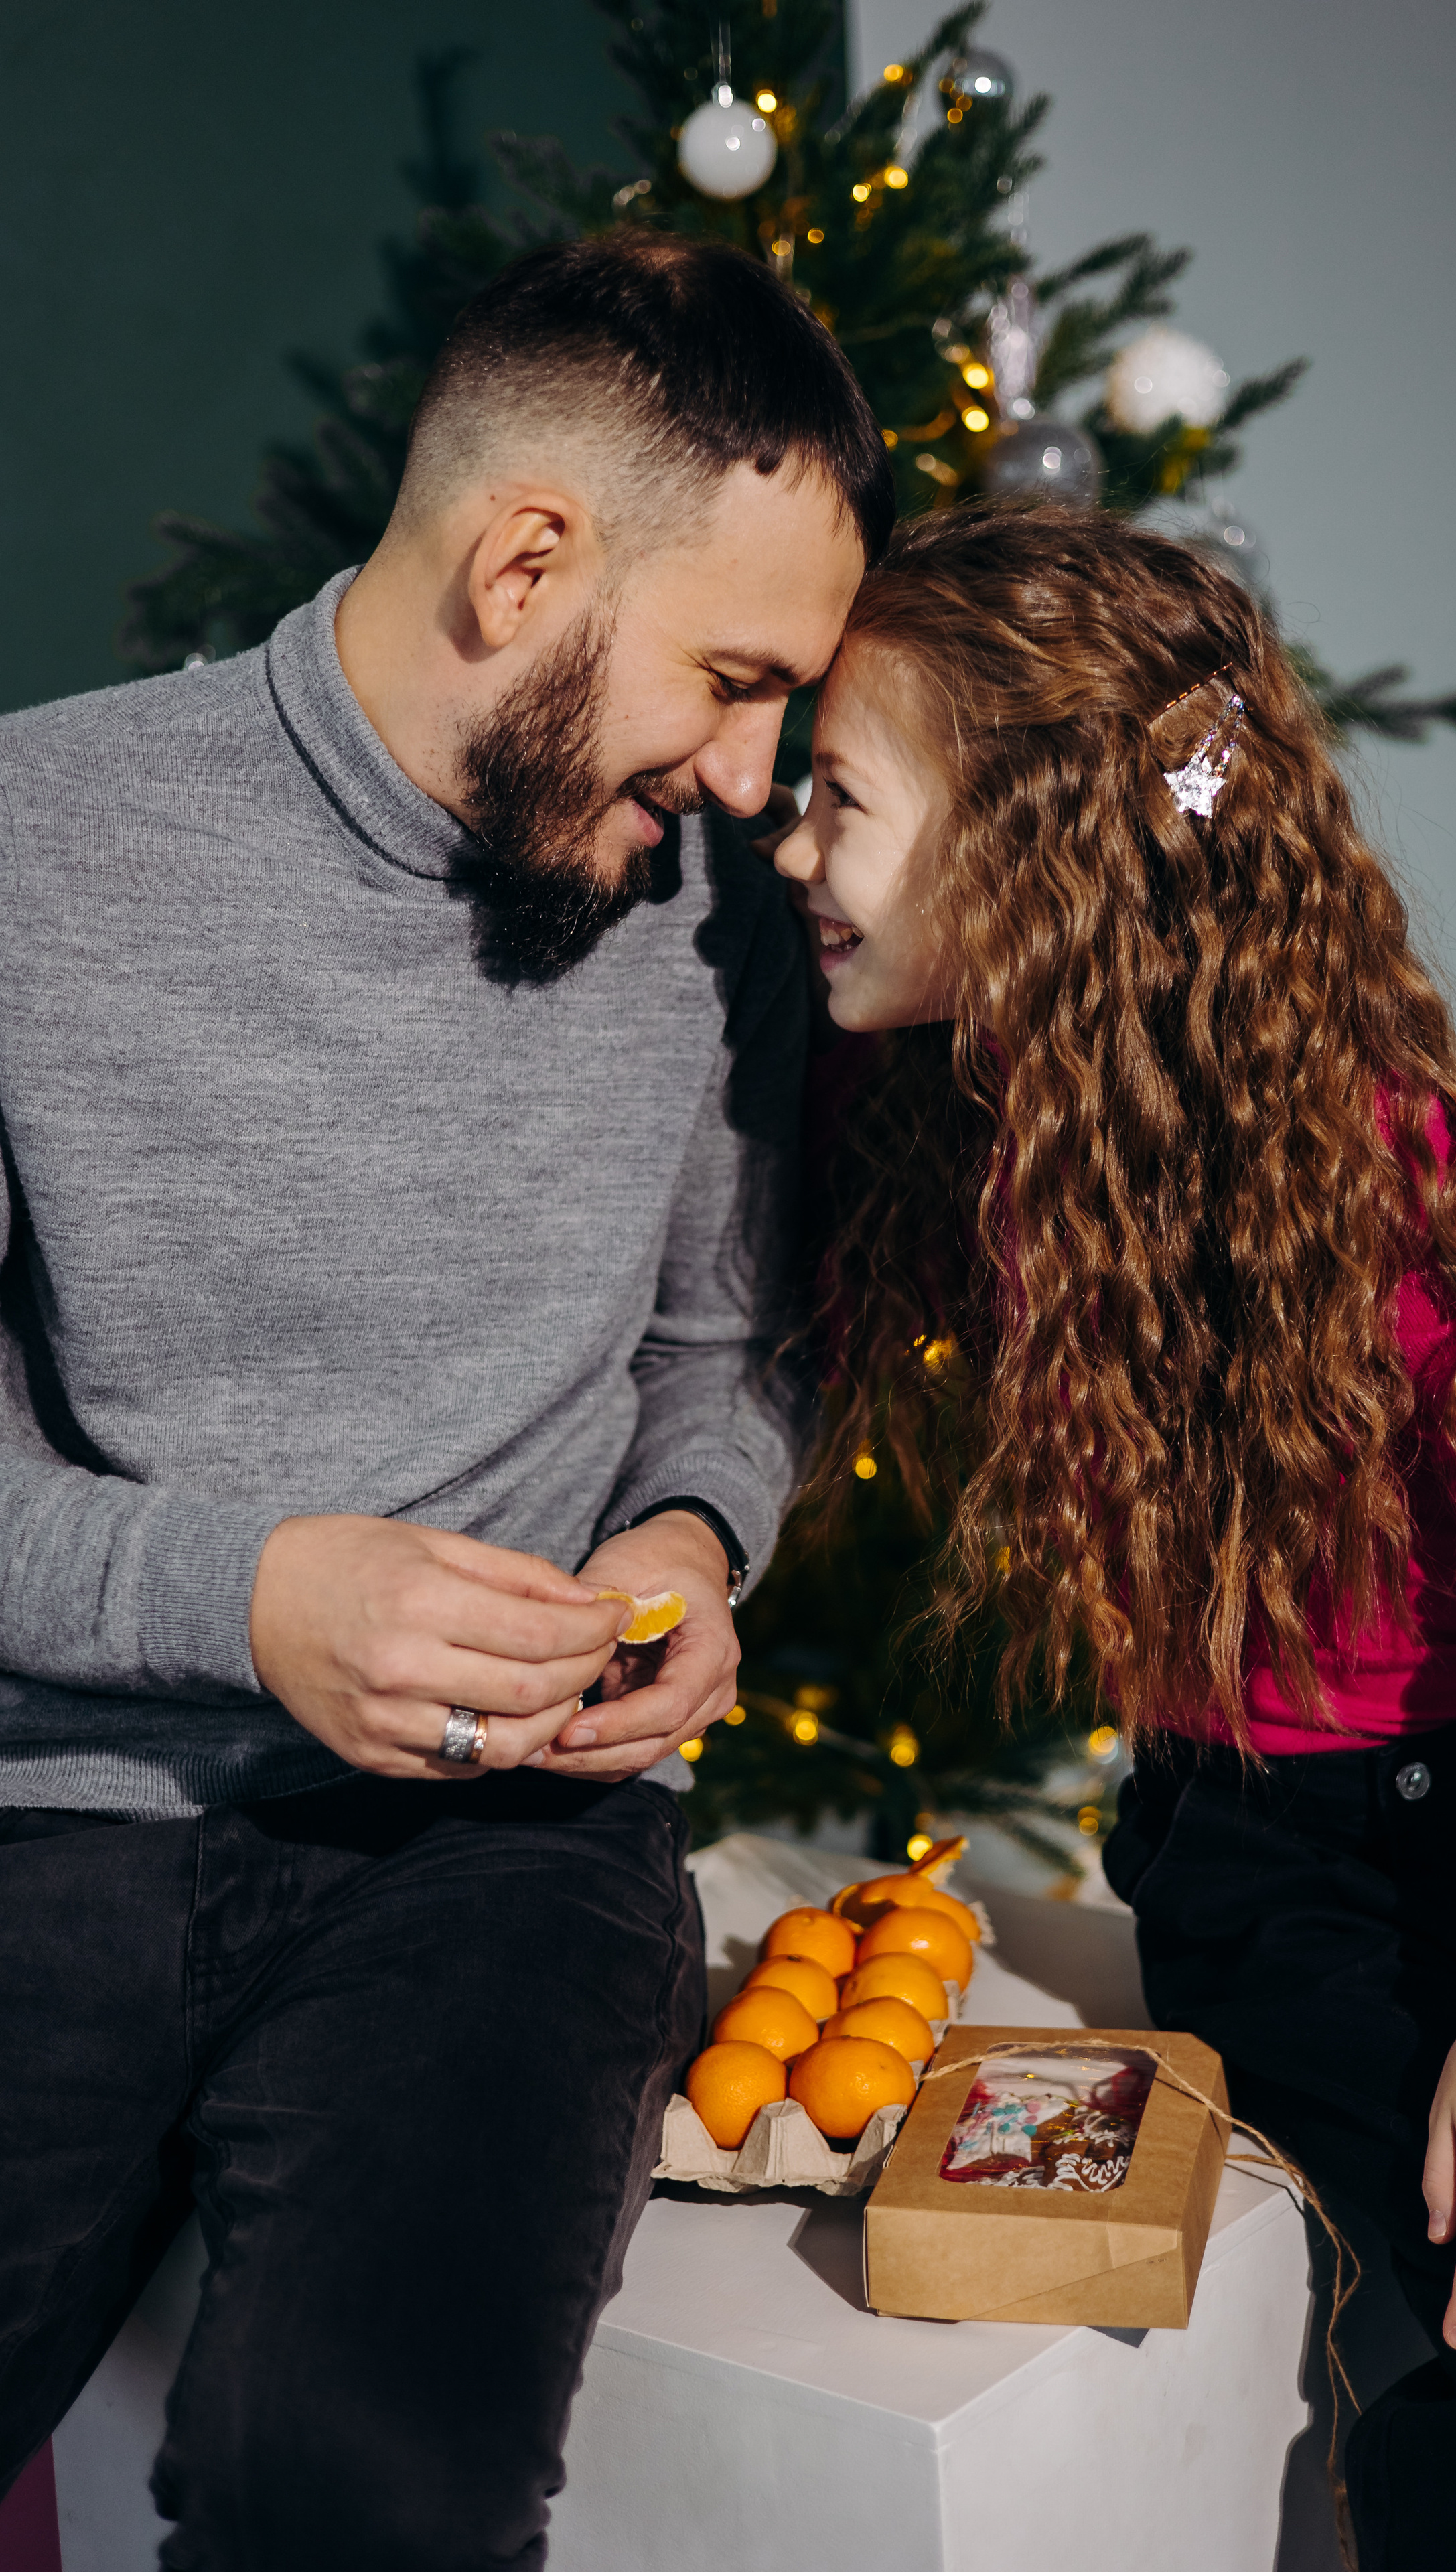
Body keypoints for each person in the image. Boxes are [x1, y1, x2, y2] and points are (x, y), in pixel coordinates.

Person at [0, 232, 891, 2565]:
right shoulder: (26, 851)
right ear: (524, 564)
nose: (749, 776)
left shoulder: (700, 914)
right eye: (726, 678)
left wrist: (695, 1549)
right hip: (53, 1824)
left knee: (361, 2501)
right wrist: (254, 1592)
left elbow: (726, 1356)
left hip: (499, 1870)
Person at [768, 502, 1456, 2567]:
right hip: (1272, 1860)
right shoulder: (950, 1086)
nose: (789, 853)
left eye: (833, 802)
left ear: (1031, 856)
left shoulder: (1344, 1117)